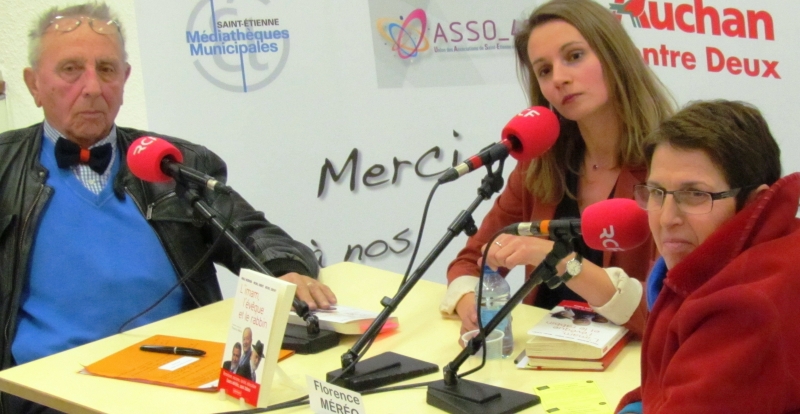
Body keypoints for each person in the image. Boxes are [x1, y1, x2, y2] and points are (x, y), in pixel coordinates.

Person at [0, 3, 336, 413]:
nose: (92, 87)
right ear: (34, 84)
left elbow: (252, 232)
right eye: (71, 69)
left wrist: (284, 270)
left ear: (124, 78)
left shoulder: (175, 163)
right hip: (47, 393)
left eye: (106, 69)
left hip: (179, 379)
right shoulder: (5, 168)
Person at [441, 0, 673, 340]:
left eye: (574, 56)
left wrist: (560, 260)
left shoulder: (670, 169)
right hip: (541, 356)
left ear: (614, 57)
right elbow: (471, 261)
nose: (560, 79)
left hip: (632, 361)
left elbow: (670, 306)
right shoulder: (539, 165)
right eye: (545, 70)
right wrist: (470, 303)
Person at [616, 100, 800, 413]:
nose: (667, 218)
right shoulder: (766, 248)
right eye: (657, 192)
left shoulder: (749, 306)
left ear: (754, 204)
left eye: (695, 194)